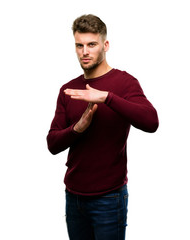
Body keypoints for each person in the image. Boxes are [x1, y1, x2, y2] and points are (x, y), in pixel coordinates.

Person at [46, 14, 158, 240]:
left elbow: (151, 121)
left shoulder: (124, 83)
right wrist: (77, 128)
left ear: (105, 45)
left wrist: (107, 97)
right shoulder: (69, 89)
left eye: (91, 45)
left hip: (109, 198)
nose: (84, 52)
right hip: (74, 197)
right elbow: (52, 143)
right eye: (79, 45)